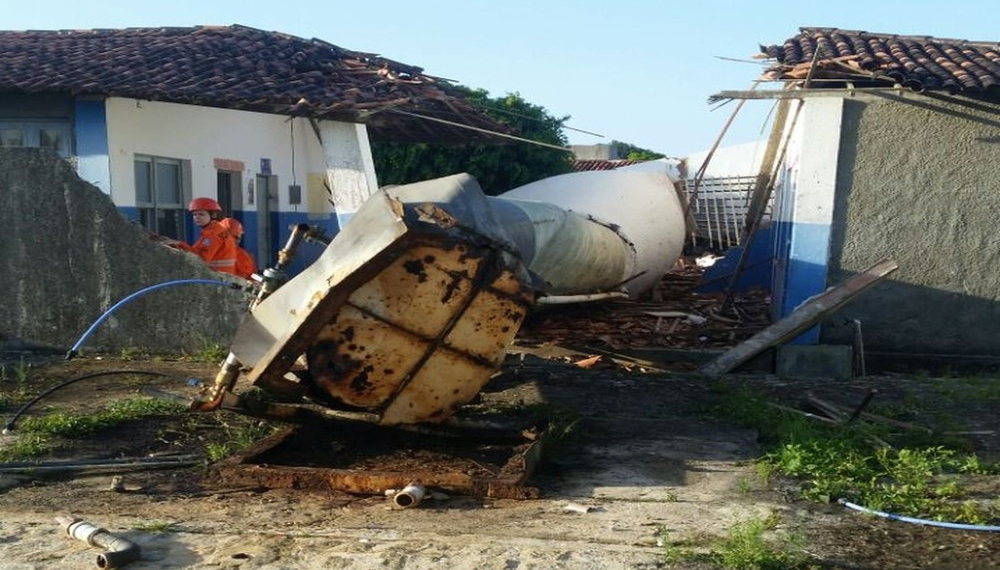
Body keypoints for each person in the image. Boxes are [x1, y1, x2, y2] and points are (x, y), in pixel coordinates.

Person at [174, 197, 238, 276]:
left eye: (201, 214)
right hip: (223, 277)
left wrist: (180, 245)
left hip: (215, 278)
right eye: (194, 215)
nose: (197, 217)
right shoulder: (218, 230)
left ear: (213, 215)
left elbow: (201, 259)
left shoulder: (212, 234)